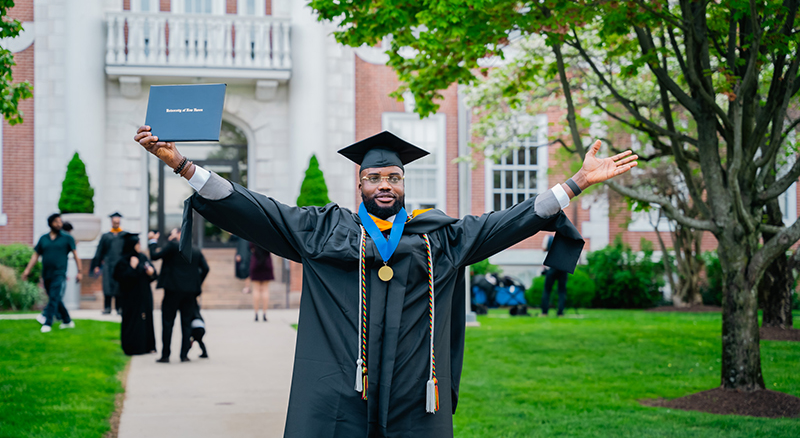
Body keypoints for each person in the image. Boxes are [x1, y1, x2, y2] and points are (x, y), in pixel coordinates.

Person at [135, 126, 637, 437]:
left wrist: (577, 183)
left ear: (403, 183)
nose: (384, 186)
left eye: (392, 178)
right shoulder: (324, 231)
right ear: (360, 184)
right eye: (374, 179)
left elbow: (510, 220)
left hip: (414, 394)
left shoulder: (439, 237)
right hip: (341, 392)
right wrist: (181, 165)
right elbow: (255, 208)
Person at [148, 228, 209, 363]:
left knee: (167, 322)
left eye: (173, 233)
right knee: (186, 323)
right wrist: (196, 283)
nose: (171, 236)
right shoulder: (196, 250)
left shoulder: (173, 246)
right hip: (190, 293)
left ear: (181, 234)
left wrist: (152, 241)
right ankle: (184, 355)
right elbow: (206, 268)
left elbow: (154, 256)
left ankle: (165, 355)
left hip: (172, 290)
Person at [23, 213, 82, 333]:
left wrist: (80, 271)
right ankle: (67, 321)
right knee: (54, 297)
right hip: (46, 273)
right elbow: (35, 255)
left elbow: (76, 255)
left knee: (54, 296)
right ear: (50, 223)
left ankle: (47, 322)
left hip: (59, 272)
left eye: (60, 221)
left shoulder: (67, 238)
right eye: (56, 221)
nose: (59, 224)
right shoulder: (43, 238)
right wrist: (27, 270)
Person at [113, 233, 157, 355]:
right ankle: (132, 347)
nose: (139, 246)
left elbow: (152, 275)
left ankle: (148, 346)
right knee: (132, 320)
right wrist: (132, 268)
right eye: (137, 244)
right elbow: (120, 278)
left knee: (147, 319)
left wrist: (151, 273)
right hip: (130, 296)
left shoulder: (142, 257)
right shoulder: (123, 261)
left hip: (144, 294)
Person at [91, 212, 125, 314]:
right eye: (114, 222)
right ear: (111, 222)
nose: (116, 224)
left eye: (117, 222)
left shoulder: (123, 236)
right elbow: (99, 251)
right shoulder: (106, 236)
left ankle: (119, 308)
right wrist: (97, 265)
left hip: (120, 265)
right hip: (108, 265)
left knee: (119, 286)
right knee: (107, 286)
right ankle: (107, 308)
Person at [541, 235, 568, 317]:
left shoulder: (548, 238)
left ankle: (544, 312)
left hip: (552, 266)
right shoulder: (566, 239)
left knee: (547, 290)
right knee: (562, 291)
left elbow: (544, 249)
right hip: (563, 266)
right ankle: (560, 313)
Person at [249, 242, 274, 322]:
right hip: (267, 263)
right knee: (265, 290)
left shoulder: (252, 235)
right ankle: (264, 314)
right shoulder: (268, 235)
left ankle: (256, 314)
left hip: (255, 262)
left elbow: (250, 247)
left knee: (256, 289)